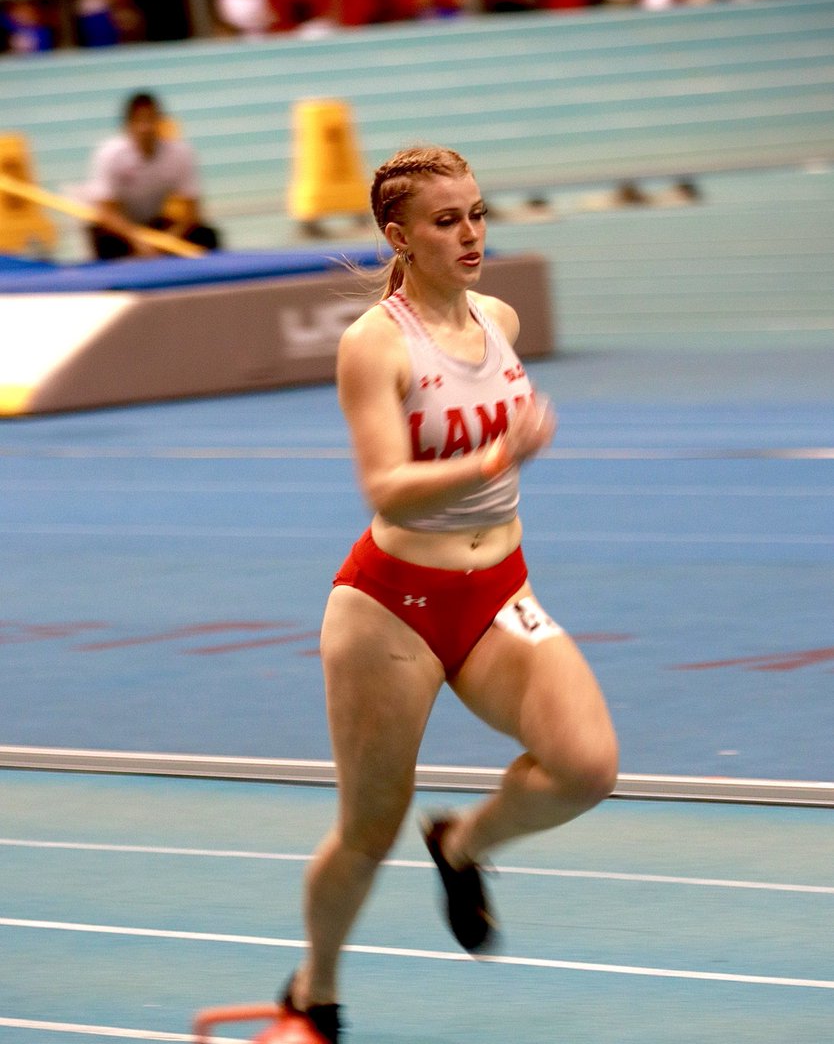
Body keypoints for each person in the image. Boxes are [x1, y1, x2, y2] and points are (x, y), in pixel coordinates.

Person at [243, 145, 619, 1043]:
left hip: (497, 591)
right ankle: (314, 993)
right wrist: (494, 457)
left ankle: (463, 845)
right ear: (399, 236)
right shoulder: (374, 344)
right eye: (447, 221)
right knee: (368, 829)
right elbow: (385, 484)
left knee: (585, 765)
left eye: (479, 214)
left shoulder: (500, 318)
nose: (471, 234)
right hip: (391, 609)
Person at [85, 91, 221, 260]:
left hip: (155, 225)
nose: (145, 128)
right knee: (104, 241)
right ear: (128, 125)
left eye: (150, 119)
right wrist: (137, 240)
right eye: (139, 121)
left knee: (207, 236)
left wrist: (169, 239)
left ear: (161, 122)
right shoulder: (109, 155)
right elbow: (106, 212)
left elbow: (192, 211)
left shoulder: (181, 154)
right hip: (121, 229)